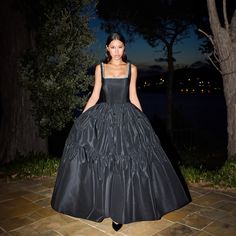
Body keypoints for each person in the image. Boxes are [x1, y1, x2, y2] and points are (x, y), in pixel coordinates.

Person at [51, 32, 191, 232]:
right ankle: (102, 206)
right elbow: (95, 94)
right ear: (107, 48)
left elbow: (133, 95)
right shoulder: (100, 69)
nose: (117, 51)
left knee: (124, 163)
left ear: (124, 48)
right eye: (113, 47)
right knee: (104, 162)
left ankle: (120, 213)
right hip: (104, 117)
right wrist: (82, 118)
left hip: (127, 118)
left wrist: (143, 121)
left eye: (120, 47)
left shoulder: (132, 68)